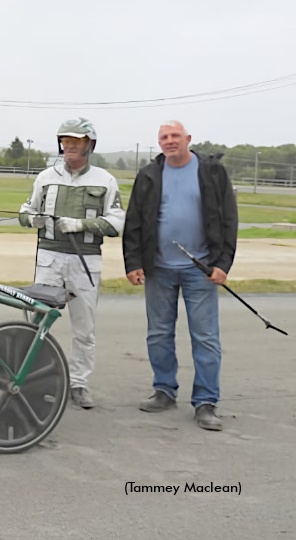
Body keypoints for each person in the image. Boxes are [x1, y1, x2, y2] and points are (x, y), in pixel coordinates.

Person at [123, 121, 237, 431]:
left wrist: (223, 262)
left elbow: (228, 218)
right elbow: (133, 222)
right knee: (158, 333)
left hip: (200, 268)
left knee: (206, 337)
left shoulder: (212, 172)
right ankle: (164, 390)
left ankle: (206, 402)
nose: (170, 141)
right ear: (159, 143)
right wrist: (133, 262)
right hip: (158, 268)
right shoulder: (148, 175)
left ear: (188, 139)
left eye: (175, 136)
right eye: (164, 137)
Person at [19, 117, 124, 409]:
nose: (70, 148)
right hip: (49, 258)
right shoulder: (45, 177)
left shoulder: (105, 181)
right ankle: (30, 377)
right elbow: (25, 211)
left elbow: (116, 223)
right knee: (36, 320)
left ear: (89, 145)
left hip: (85, 262)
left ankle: (79, 383)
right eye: (66, 142)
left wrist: (81, 225)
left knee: (84, 327)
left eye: (76, 142)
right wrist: (33, 219)